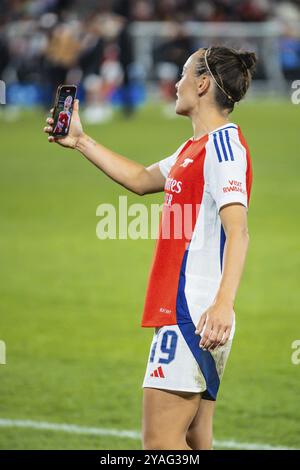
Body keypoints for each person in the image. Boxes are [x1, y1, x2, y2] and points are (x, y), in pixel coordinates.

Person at [43, 46, 257, 450]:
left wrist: (223, 303)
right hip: (195, 313)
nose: (175, 84)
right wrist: (81, 140)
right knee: (195, 440)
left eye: (182, 75)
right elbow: (141, 179)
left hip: (193, 313)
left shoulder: (224, 149)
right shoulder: (194, 148)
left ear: (202, 83)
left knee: (159, 446)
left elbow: (239, 232)